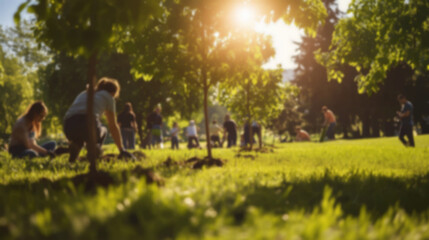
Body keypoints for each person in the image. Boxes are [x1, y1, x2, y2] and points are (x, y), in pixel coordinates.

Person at [63, 77, 133, 163]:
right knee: (104, 129)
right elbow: (113, 126)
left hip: (68, 125)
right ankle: (94, 150)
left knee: (79, 138)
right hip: (87, 123)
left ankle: (75, 151)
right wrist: (122, 150)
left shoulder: (85, 93)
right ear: (113, 92)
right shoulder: (108, 97)